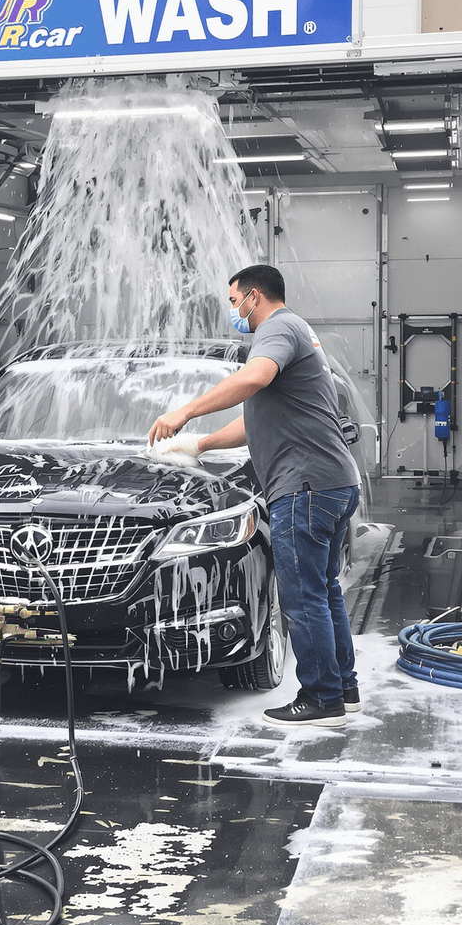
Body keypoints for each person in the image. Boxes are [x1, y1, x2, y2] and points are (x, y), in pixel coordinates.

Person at [149, 264, 361, 728]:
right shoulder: (296, 332)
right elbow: (254, 422)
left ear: (254, 297)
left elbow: (254, 378)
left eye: (233, 302)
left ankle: (322, 699)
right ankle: (343, 686)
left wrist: (184, 412)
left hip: (305, 487)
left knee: (302, 596)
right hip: (332, 482)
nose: (232, 311)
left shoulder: (278, 328)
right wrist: (199, 443)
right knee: (323, 592)